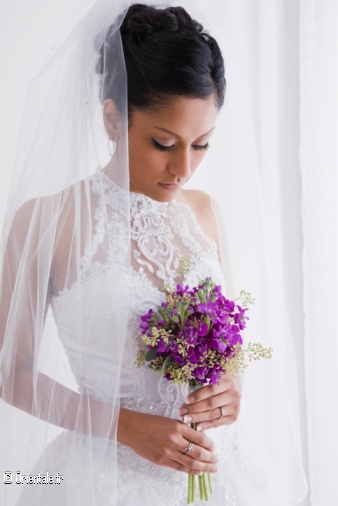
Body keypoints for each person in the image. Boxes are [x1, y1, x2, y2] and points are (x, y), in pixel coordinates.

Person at [0, 1, 307, 505]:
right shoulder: (47, 222)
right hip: (101, 478)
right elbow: (11, 373)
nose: (184, 167)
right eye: (164, 142)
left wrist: (230, 386)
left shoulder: (205, 212)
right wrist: (124, 428)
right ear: (113, 119)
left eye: (202, 144)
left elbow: (225, 343)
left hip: (220, 468)